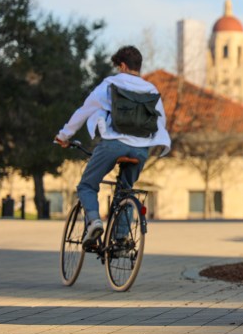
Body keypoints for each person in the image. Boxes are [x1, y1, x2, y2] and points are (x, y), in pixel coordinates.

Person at [55, 45, 171, 249]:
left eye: (118, 67)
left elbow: (84, 111)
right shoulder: (151, 90)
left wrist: (64, 136)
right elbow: (160, 122)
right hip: (141, 149)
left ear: (123, 66)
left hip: (113, 145)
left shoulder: (110, 84)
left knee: (87, 185)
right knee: (126, 191)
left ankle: (95, 222)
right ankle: (121, 239)